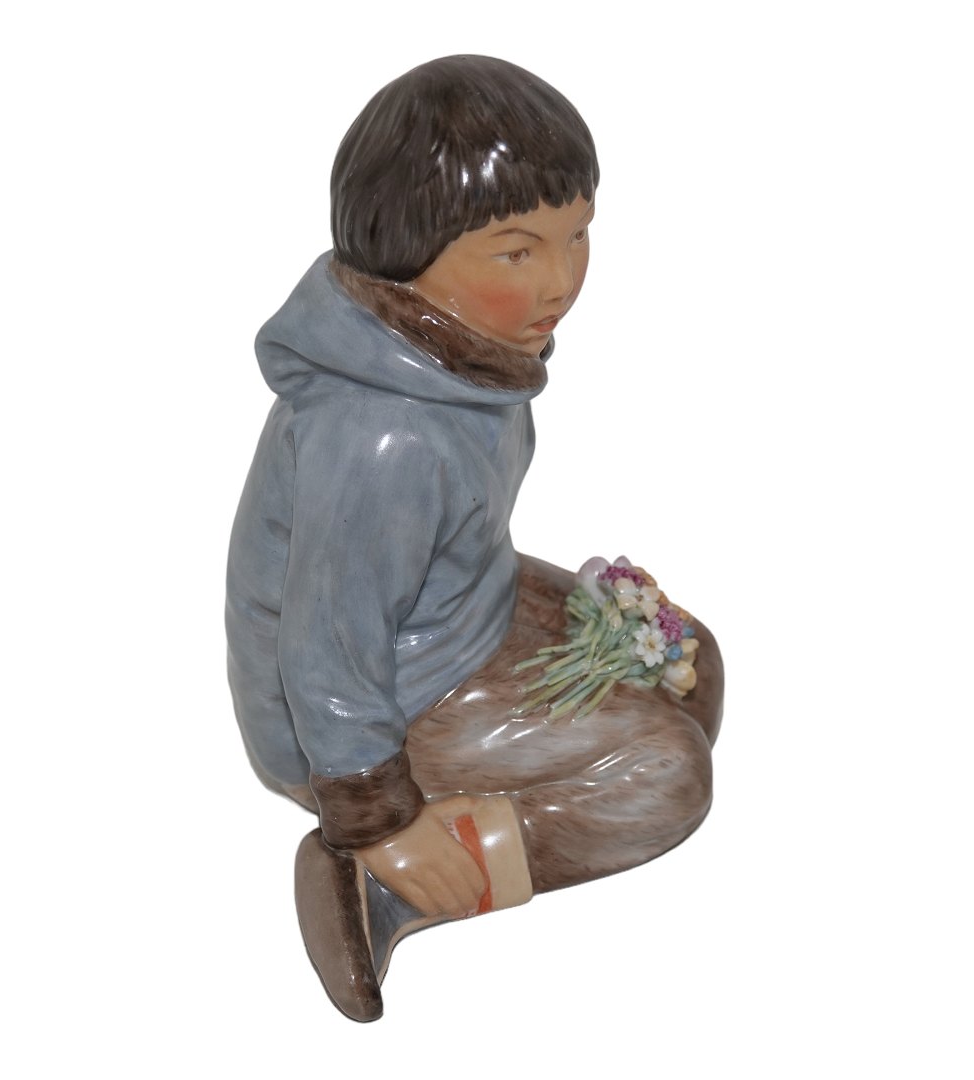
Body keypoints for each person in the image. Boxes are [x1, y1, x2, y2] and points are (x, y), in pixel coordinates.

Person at [225, 55, 723, 1022]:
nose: (562, 281)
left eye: (577, 237)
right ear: (411, 255)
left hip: (454, 613)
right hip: (358, 718)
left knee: (691, 665)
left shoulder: (455, 358)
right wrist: (377, 813)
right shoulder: (384, 437)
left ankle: (475, 807)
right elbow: (327, 653)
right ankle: (382, 887)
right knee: (665, 776)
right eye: (516, 253)